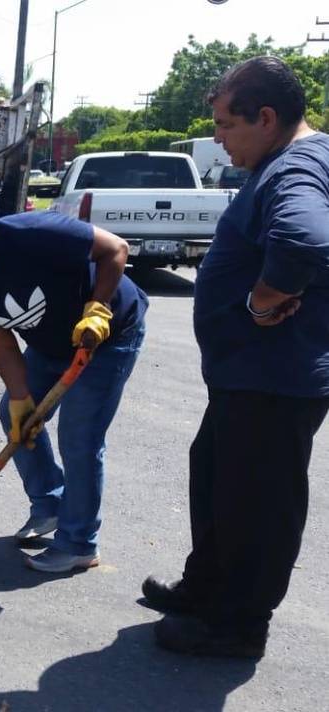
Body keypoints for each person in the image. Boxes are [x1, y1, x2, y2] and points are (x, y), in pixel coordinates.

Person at [143, 56, 329, 659]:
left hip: (273, 380)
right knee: (217, 477)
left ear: (266, 118)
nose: (218, 140)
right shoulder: (296, 160)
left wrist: (259, 303)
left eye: (226, 125)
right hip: (248, 377)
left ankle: (238, 625)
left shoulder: (294, 170)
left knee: (257, 504)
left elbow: (304, 240)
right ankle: (205, 589)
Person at [0, 200, 147, 573]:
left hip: (107, 337)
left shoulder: (36, 233)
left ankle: (79, 543)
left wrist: (98, 309)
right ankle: (50, 506)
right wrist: (21, 400)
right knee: (14, 416)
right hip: (51, 345)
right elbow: (1, 344)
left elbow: (115, 249)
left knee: (80, 437)